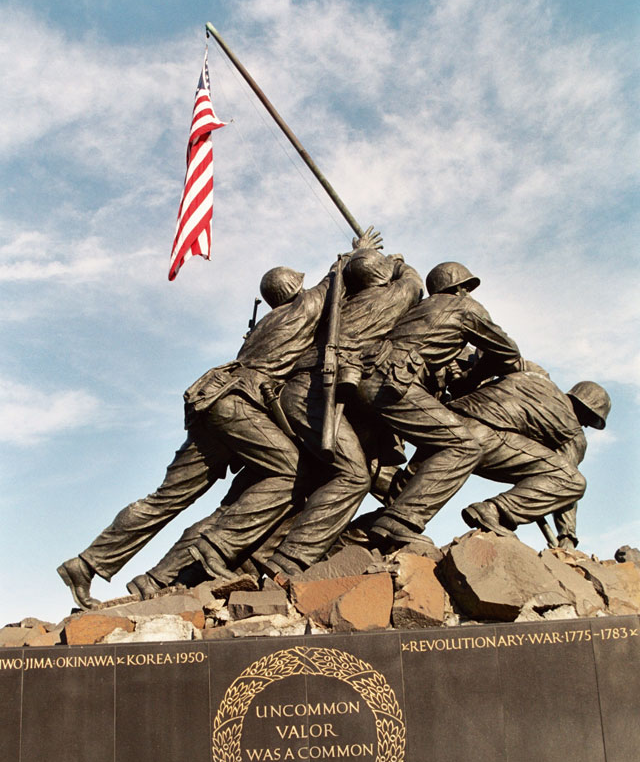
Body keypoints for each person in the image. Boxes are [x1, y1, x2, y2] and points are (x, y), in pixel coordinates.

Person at [56, 258, 334, 609]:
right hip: (238, 406)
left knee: (165, 499)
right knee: (291, 471)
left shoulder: (267, 322)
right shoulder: (303, 307)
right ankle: (217, 545)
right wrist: (357, 253)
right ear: (294, 289)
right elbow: (334, 281)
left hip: (212, 402)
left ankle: (86, 564)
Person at [220, 246, 425, 577]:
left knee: (321, 477)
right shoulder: (387, 300)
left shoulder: (332, 310)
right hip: (315, 393)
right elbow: (413, 283)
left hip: (296, 395)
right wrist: (399, 261)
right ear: (382, 276)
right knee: (352, 475)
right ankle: (286, 565)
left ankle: (247, 557)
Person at [350, 262, 522, 552]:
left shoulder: (419, 310)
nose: (468, 293)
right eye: (466, 288)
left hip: (364, 379)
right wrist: (474, 377)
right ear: (459, 288)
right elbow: (509, 354)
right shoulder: (465, 308)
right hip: (393, 381)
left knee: (355, 471)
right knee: (464, 446)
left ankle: (341, 542)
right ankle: (400, 522)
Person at [447, 370, 611, 544]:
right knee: (573, 481)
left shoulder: (537, 383)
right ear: (586, 411)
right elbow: (565, 483)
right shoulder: (572, 430)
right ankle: (494, 510)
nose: (586, 425)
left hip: (448, 421)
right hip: (485, 440)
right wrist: (567, 535)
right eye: (591, 420)